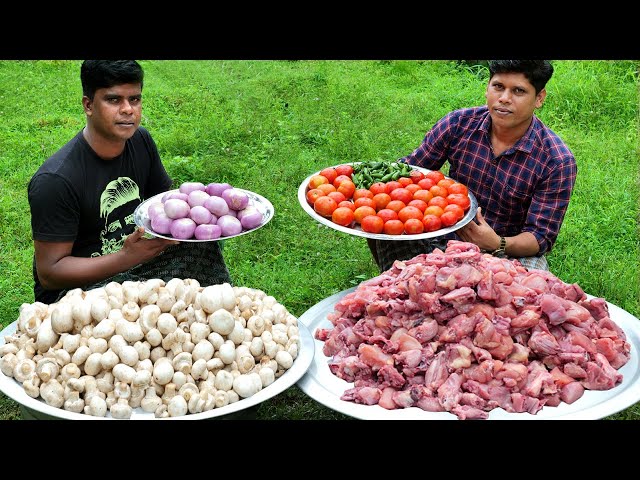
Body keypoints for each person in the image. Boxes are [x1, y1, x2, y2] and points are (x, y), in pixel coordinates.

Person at [28, 60, 232, 305]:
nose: (128, 110)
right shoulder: (56, 180)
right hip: (82, 290)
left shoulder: (140, 141)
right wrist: (126, 257)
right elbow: (50, 274)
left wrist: (200, 211)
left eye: (134, 99)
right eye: (114, 100)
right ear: (88, 105)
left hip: (135, 260)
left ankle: (204, 311)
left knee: (200, 246)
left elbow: (163, 208)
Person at [368, 60, 577, 272]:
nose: (504, 99)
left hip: (506, 250)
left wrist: (497, 243)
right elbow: (411, 169)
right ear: (487, 88)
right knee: (384, 230)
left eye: (518, 91)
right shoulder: (458, 124)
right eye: (498, 87)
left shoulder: (556, 160)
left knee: (534, 279)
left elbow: (540, 237)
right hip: (440, 235)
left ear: (539, 98)